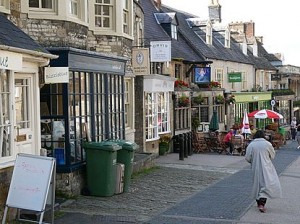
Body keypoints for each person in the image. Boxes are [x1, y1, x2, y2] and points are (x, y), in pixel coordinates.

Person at [245, 130, 282, 213]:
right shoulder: (267, 144)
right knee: (266, 184)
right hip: (266, 166)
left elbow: (247, 157)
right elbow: (272, 155)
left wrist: (253, 160)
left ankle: (259, 202)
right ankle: (262, 204)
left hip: (255, 167)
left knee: (257, 184)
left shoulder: (251, 145)